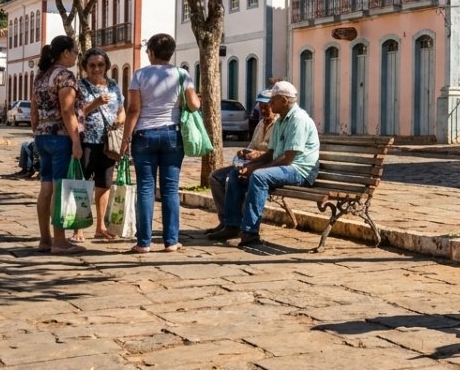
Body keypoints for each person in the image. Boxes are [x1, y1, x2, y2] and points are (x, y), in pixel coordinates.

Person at [210, 80, 319, 247]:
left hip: (299, 171)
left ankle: (250, 233)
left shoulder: (298, 120)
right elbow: (271, 153)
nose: (270, 103)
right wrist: (249, 166)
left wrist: (256, 169)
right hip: (285, 167)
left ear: (284, 101)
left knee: (259, 177)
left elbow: (288, 158)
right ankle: (232, 225)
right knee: (236, 174)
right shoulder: (281, 121)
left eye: (273, 100)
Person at [120, 33, 200, 254]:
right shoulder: (182, 74)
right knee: (170, 189)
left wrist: (126, 139)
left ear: (151, 53)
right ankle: (171, 241)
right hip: (172, 134)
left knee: (145, 188)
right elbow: (194, 105)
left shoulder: (140, 75)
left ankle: (143, 243)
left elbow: (133, 110)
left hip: (144, 135)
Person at [31, 34, 85, 255]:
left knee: (46, 189)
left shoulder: (41, 76)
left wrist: (37, 130)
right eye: (75, 52)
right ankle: (60, 241)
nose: (76, 57)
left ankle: (45, 239)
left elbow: (34, 111)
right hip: (61, 137)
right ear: (65, 53)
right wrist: (76, 140)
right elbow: (67, 110)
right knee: (59, 188)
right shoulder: (64, 76)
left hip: (42, 135)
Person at [205, 89, 277, 234]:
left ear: (273, 105)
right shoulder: (260, 124)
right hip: (250, 164)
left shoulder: (279, 125)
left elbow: (275, 154)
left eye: (266, 106)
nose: (263, 110)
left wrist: (257, 155)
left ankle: (235, 224)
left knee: (233, 178)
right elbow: (251, 146)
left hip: (266, 166)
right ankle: (226, 221)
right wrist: (244, 152)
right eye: (261, 106)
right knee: (215, 177)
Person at [77, 47, 126, 241]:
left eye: (100, 65)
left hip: (108, 143)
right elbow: (76, 113)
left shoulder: (113, 85)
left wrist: (120, 121)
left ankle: (100, 226)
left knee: (104, 184)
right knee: (83, 185)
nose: (96, 68)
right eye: (92, 65)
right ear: (85, 67)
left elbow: (121, 109)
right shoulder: (80, 86)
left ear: (106, 66)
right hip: (87, 142)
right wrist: (95, 103)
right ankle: (78, 227)